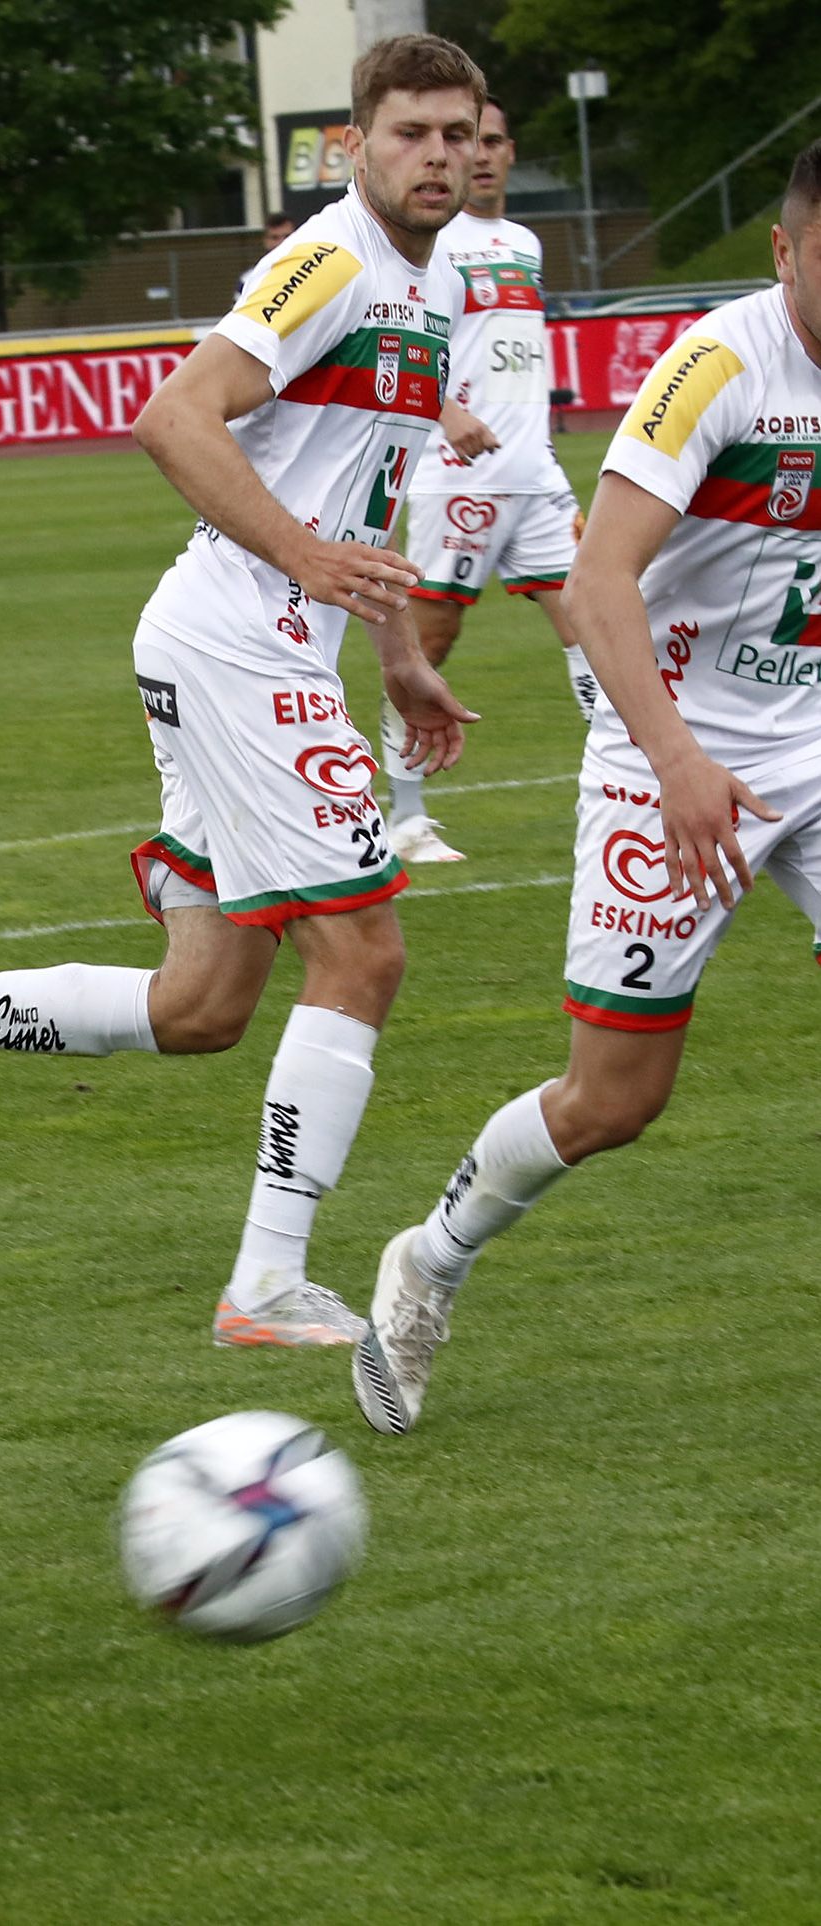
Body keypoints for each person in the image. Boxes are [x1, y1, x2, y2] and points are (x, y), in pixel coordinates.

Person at [0, 35, 484, 1351]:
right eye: (410, 134)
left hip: (249, 639)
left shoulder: (427, 284)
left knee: (201, 1007)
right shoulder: (330, 260)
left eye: (457, 133)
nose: (436, 155)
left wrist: (396, 656)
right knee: (364, 949)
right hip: (238, 642)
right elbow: (172, 415)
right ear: (355, 146)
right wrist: (302, 560)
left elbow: (363, 495)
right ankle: (265, 1282)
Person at [354, 140, 821, 1436]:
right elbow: (600, 577)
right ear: (782, 253)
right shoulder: (718, 366)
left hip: (814, 740)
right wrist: (674, 758)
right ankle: (429, 1256)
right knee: (614, 1097)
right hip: (663, 746)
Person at [387, 97, 599, 865]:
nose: (480, 154)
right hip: (458, 478)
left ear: (510, 154)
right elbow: (403, 338)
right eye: (469, 140)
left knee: (595, 624)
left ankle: (625, 781)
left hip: (535, 471)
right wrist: (445, 413)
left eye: (494, 141)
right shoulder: (433, 245)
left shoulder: (525, 242)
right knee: (429, 643)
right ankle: (403, 812)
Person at [233, 211, 300, 304]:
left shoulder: (315, 268)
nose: (282, 242)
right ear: (266, 241)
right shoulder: (249, 279)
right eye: (275, 237)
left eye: (287, 236)